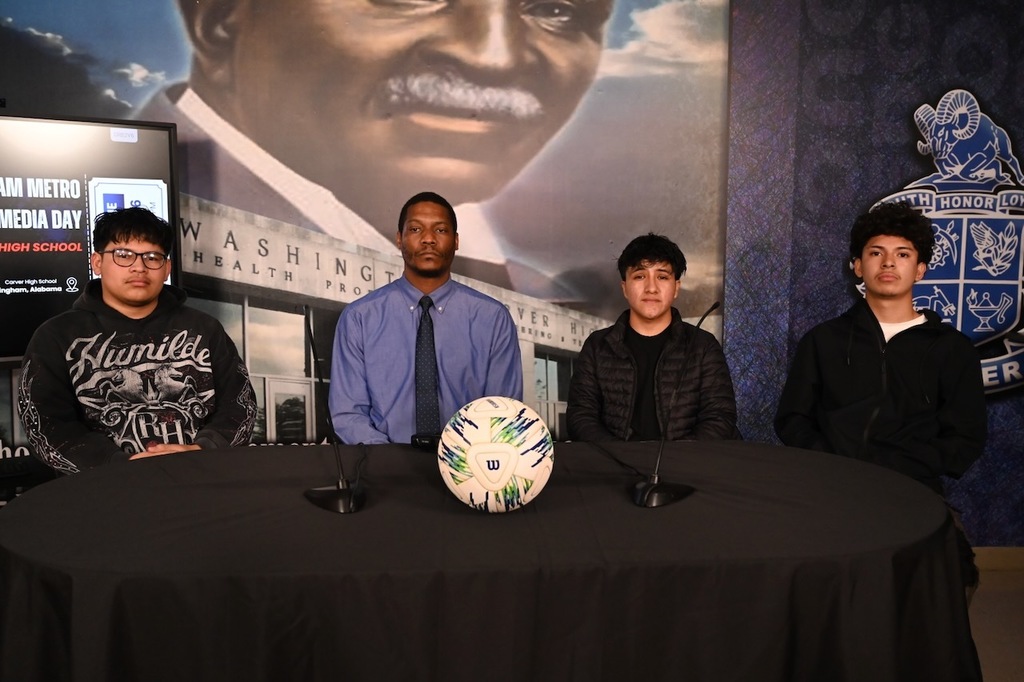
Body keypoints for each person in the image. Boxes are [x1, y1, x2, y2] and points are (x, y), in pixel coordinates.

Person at [136, 0, 612, 287]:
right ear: (221, 19)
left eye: (557, 10)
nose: (495, 57)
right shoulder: (133, 243)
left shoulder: (535, 292)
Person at [774, 201, 986, 598]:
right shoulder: (823, 341)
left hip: (913, 490)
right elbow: (792, 419)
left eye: (902, 254)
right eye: (876, 253)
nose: (889, 263)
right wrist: (834, 461)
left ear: (920, 269)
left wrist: (903, 465)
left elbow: (966, 438)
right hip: (831, 489)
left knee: (950, 580)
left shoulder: (952, 349)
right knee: (813, 585)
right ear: (858, 265)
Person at [18, 207, 257, 474]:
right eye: (123, 255)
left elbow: (239, 406)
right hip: (100, 494)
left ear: (166, 268)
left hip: (198, 481)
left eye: (152, 257)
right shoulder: (56, 336)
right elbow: (46, 425)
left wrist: (203, 450)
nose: (139, 266)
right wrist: (118, 466)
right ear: (97, 262)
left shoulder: (204, 329)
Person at [329, 192, 523, 444]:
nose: (429, 239)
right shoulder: (359, 318)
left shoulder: (493, 318)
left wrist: (462, 466)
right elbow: (348, 414)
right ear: (399, 239)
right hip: (384, 472)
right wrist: (395, 466)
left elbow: (503, 414)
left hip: (470, 473)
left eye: (440, 230)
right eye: (416, 229)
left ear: (455, 241)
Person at [566, 233, 740, 441]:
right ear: (624, 287)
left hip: (684, 468)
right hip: (615, 467)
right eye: (640, 276)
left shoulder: (702, 346)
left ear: (676, 287)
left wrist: (672, 461)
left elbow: (719, 417)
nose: (651, 288)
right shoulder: (598, 346)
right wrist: (621, 459)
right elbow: (581, 416)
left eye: (662, 277)